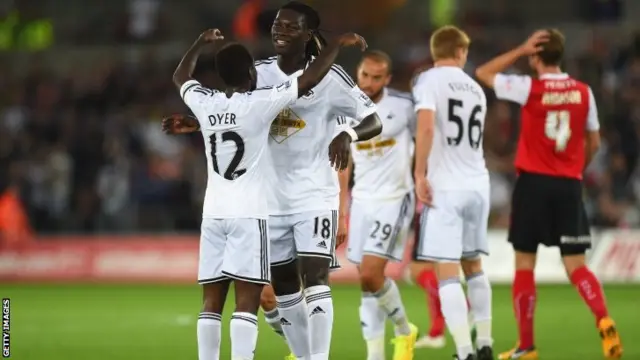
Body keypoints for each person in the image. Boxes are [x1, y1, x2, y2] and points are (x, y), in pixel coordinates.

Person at [167, 27, 367, 360]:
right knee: (247, 302)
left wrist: (199, 43)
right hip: (250, 215)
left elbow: (180, 76)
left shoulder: (204, 102)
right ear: (251, 73)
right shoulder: (260, 104)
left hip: (213, 214)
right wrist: (335, 46)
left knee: (211, 303)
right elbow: (309, 80)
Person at [475, 29, 623, 360]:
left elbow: (484, 73)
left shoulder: (529, 87)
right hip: (569, 185)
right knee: (577, 266)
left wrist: (518, 48)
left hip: (533, 186)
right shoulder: (584, 92)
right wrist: (575, 170)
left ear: (536, 57)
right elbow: (594, 142)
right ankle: (604, 320)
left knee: (525, 266)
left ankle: (526, 346)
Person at [254, 2, 383, 359]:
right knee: (283, 289)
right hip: (271, 198)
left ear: (308, 34)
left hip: (315, 195)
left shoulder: (332, 77)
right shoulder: (259, 73)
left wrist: (348, 135)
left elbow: (373, 120)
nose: (280, 31)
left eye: (290, 27)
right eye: (277, 25)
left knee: (315, 278)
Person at [412, 25, 494, 360]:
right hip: (478, 184)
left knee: (447, 272)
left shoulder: (428, 80)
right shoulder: (475, 88)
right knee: (474, 267)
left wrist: (419, 173)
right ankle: (485, 344)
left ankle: (464, 352)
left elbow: (428, 126)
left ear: (436, 52)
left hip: (446, 186)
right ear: (459, 52)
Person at [340, 50, 418, 360]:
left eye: (376, 77)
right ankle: (376, 355)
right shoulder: (344, 107)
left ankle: (403, 329)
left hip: (395, 197)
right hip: (362, 200)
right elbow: (342, 162)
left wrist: (424, 174)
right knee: (366, 283)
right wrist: (342, 210)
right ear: (357, 73)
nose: (369, 82)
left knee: (372, 274)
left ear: (386, 78)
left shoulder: (404, 106)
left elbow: (427, 134)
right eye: (364, 75)